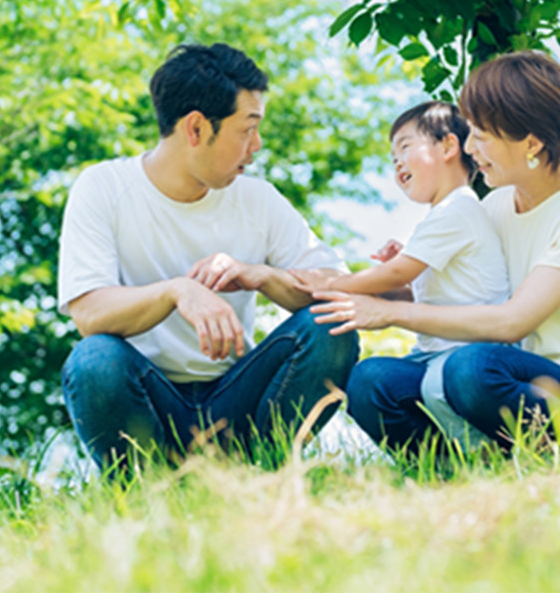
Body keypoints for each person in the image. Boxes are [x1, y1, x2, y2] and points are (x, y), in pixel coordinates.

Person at [311, 51, 560, 453]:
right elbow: (471, 298)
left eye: (481, 136)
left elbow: (511, 323)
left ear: (532, 143)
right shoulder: (494, 207)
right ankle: (460, 472)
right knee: (371, 380)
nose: (469, 147)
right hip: (500, 384)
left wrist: (392, 312)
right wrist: (407, 287)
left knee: (470, 368)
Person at [56, 42, 359, 473]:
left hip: (239, 402)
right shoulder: (102, 187)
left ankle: (266, 475)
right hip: (148, 399)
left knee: (332, 328)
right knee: (94, 360)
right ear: (195, 128)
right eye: (247, 129)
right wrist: (177, 292)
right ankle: (144, 489)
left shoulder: (258, 199)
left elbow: (339, 289)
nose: (256, 146)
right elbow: (89, 313)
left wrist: (261, 276)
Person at [290, 102, 510, 452]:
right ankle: (438, 464)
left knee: (381, 379)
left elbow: (395, 273)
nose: (396, 163)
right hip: (434, 356)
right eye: (392, 157)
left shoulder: (459, 207)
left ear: (450, 146)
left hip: (468, 357)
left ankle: (481, 450)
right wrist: (402, 282)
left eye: (405, 147)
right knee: (367, 380)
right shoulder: (443, 215)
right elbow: (412, 286)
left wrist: (330, 284)